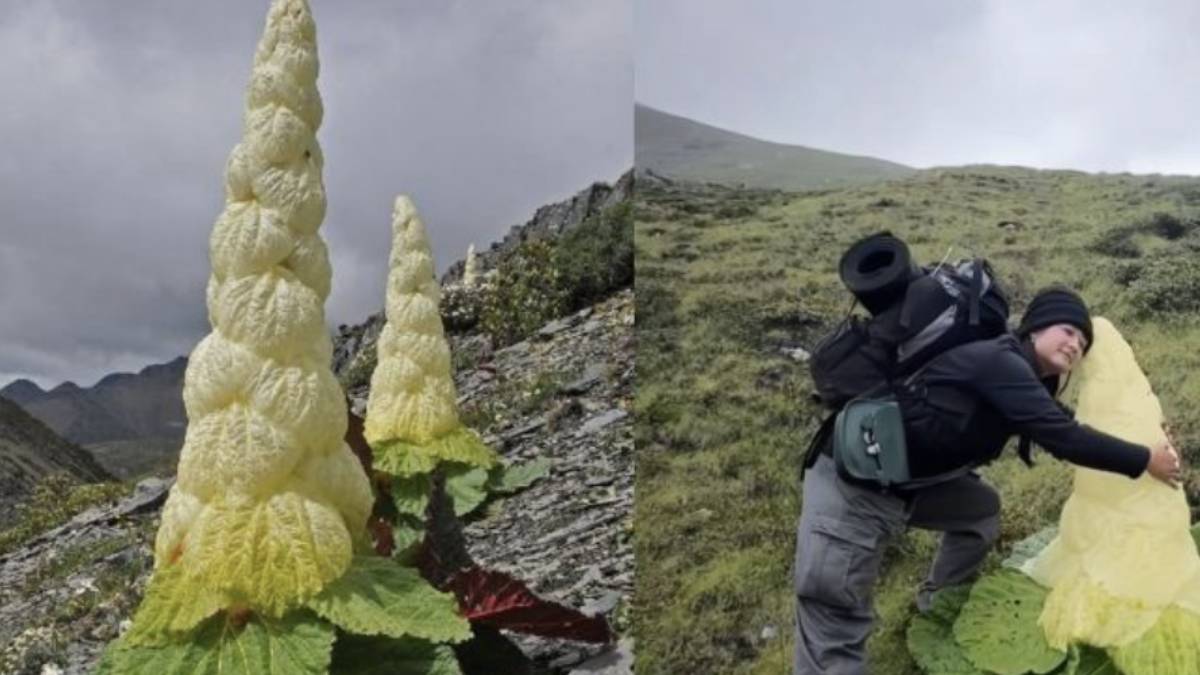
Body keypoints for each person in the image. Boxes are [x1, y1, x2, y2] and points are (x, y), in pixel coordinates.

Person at [792, 286, 1183, 675]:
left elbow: (1065, 424)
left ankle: (939, 603)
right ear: (1035, 329)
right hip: (855, 484)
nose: (1075, 344)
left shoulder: (1022, 376)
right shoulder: (1000, 363)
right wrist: (1146, 460)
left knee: (979, 510)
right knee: (836, 614)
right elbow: (1065, 439)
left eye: (1083, 341)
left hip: (909, 481)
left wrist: (1145, 440)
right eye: (1067, 330)